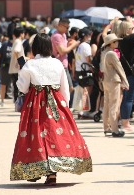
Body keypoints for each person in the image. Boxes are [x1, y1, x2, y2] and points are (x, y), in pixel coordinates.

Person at [10, 33, 92, 184]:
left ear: (35, 48)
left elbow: (22, 86)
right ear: (49, 47)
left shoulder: (30, 64)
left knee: (35, 136)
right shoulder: (57, 63)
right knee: (54, 137)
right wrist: (65, 106)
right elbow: (64, 88)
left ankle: (35, 169)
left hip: (35, 105)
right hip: (56, 102)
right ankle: (52, 174)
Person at [100, 33, 128, 137]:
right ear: (111, 43)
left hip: (106, 80)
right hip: (114, 81)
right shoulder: (112, 54)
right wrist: (125, 81)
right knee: (114, 105)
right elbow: (119, 68)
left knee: (107, 105)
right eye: (116, 41)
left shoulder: (104, 53)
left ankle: (107, 127)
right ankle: (115, 130)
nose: (117, 43)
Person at [51, 19, 78, 101]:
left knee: (68, 88)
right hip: (59, 66)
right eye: (67, 27)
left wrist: (69, 43)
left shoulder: (63, 35)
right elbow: (62, 51)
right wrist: (74, 45)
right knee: (67, 89)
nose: (68, 29)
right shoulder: (56, 36)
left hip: (64, 65)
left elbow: (64, 47)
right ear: (60, 26)